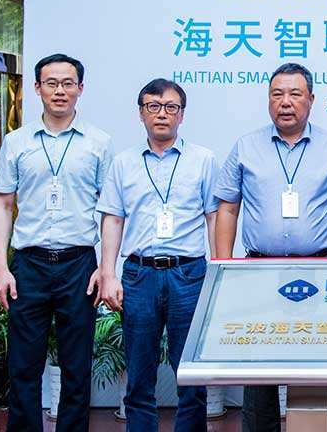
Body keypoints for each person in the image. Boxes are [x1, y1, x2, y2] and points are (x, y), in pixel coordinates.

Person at [214, 62, 327, 432]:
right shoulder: (246, 146)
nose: (285, 102)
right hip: (258, 271)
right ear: (268, 100)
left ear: (311, 99)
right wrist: (222, 267)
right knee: (257, 369)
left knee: (317, 365)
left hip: (319, 270)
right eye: (277, 94)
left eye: (295, 94)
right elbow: (228, 208)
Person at [0, 53, 112, 432]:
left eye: (68, 83)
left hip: (79, 265)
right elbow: (2, 204)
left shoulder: (99, 143)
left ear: (80, 89)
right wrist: (1, 268)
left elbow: (111, 211)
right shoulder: (16, 142)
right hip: (29, 264)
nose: (60, 91)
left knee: (77, 366)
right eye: (52, 83)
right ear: (37, 88)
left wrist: (106, 268)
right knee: (23, 365)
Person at [97, 78, 217, 432]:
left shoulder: (203, 160)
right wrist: (108, 273)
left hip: (189, 274)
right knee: (139, 375)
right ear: (141, 113)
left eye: (170, 107)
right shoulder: (123, 163)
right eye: (153, 106)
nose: (161, 114)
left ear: (182, 115)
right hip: (140, 275)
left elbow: (214, 217)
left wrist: (217, 273)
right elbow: (113, 219)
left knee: (190, 374)